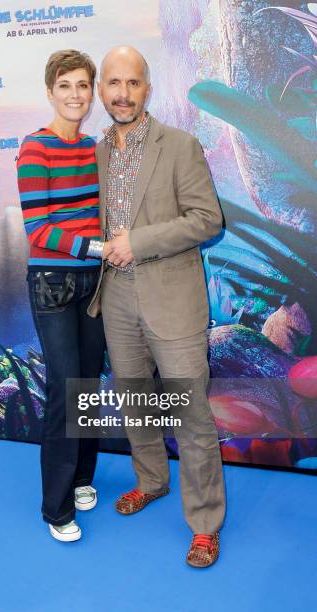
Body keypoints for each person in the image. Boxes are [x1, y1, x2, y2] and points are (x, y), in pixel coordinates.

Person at [88, 46, 226, 567]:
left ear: (149, 88)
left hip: (173, 298)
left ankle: (206, 523)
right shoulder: (93, 153)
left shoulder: (181, 145)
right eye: (113, 83)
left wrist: (139, 241)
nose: (122, 94)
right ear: (102, 89)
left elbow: (206, 219)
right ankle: (150, 480)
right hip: (117, 297)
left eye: (133, 83)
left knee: (191, 416)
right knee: (137, 401)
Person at [17, 49, 107, 542]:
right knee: (65, 392)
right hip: (53, 283)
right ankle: (56, 507)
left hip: (94, 281)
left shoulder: (93, 146)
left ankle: (82, 478)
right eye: (65, 85)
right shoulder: (35, 148)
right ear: (50, 91)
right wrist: (98, 246)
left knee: (89, 383)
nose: (76, 94)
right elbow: (39, 228)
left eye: (83, 85)